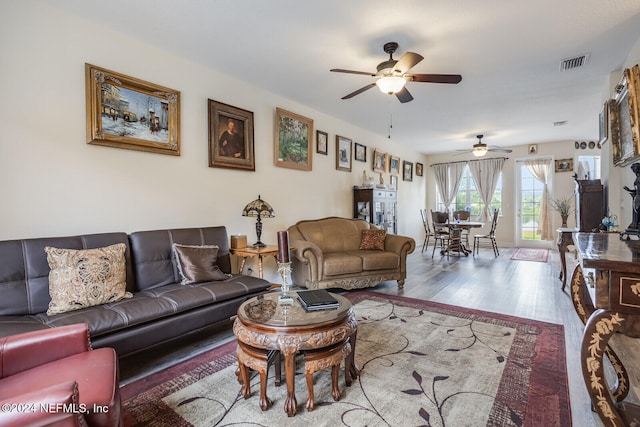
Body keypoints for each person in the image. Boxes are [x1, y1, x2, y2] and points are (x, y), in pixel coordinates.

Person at [624, 162, 640, 230]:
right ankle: (635, 223)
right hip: (637, 196)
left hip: (638, 197)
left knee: (638, 211)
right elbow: (637, 190)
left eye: (634, 169)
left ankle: (636, 224)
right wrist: (629, 190)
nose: (634, 171)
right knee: (636, 211)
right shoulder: (637, 178)